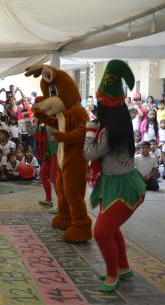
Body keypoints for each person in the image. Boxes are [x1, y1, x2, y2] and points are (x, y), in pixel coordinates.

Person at [84, 60, 146, 292]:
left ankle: (113, 275)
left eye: (98, 104)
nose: (95, 109)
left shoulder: (107, 132)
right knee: (111, 228)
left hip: (123, 186)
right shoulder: (121, 126)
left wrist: (89, 131)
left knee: (101, 232)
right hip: (113, 182)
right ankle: (123, 267)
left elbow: (87, 153)